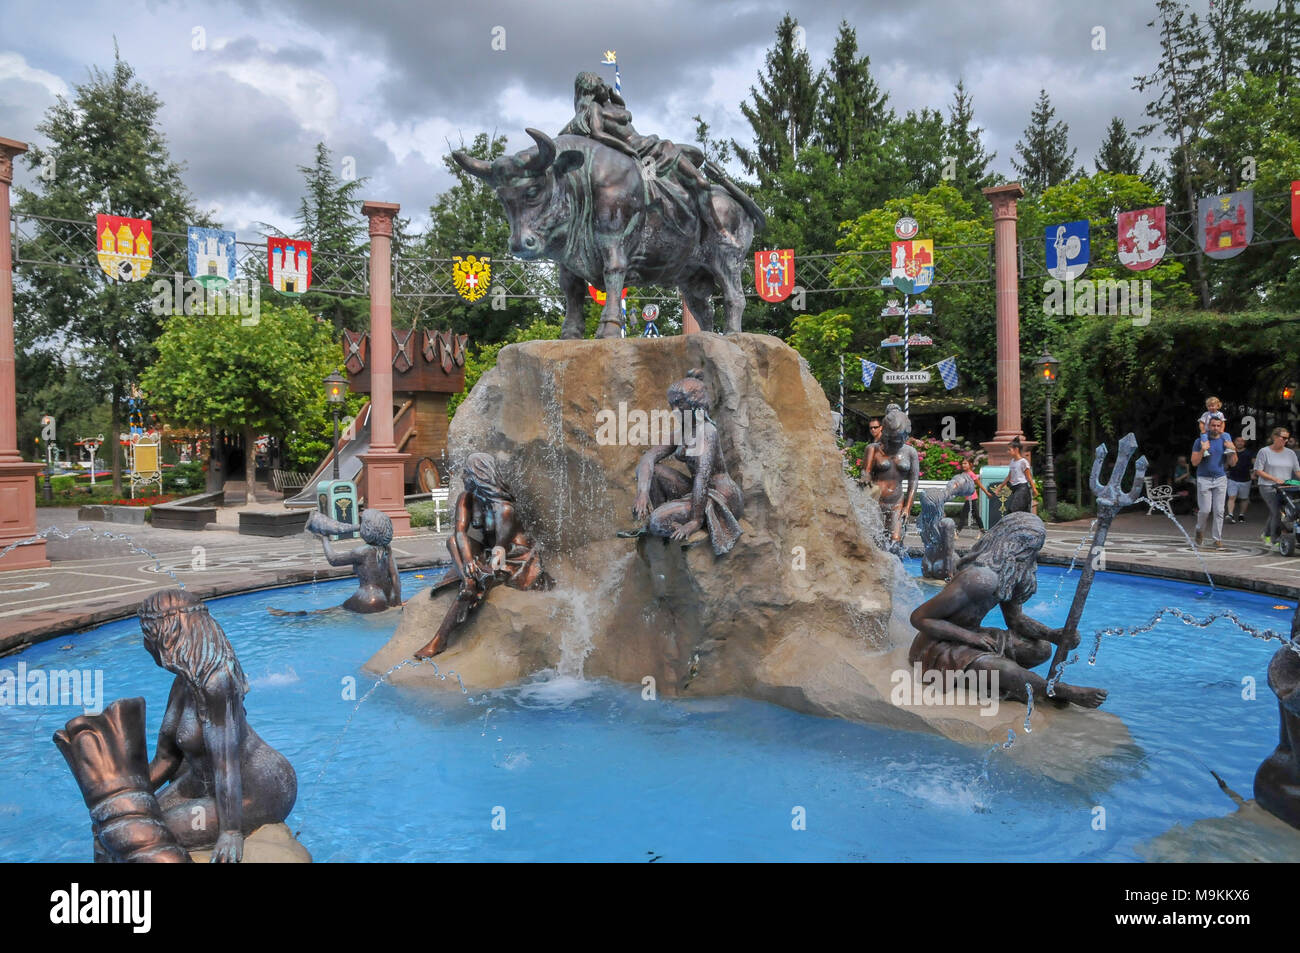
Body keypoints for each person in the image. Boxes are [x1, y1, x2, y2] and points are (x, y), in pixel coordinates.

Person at [139, 589, 297, 863]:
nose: (145, 642)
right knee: (132, 819)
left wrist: (230, 831)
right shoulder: (183, 681)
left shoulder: (217, 684)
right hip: (205, 783)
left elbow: (227, 764)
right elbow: (166, 759)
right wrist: (126, 795)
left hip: (256, 790)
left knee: (144, 833)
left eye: (148, 631)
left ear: (169, 632)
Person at [908, 513, 1107, 709]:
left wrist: (1053, 634)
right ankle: (1055, 690)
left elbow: (1016, 620)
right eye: (1029, 550)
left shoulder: (1010, 574)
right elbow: (919, 618)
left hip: (973, 638)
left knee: (1041, 648)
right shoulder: (979, 578)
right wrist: (970, 638)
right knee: (1000, 668)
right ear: (1011, 546)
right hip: (936, 647)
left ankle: (1008, 680)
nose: (1032, 559)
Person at [560, 72, 730, 241]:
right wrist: (624, 147)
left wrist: (611, 94)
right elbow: (597, 133)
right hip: (643, 154)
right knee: (695, 183)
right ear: (592, 91)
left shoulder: (611, 105)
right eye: (600, 85)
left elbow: (621, 106)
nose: (604, 86)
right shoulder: (595, 108)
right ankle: (718, 228)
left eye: (603, 82)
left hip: (652, 145)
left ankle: (700, 216)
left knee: (696, 155)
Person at [415, 452, 553, 658]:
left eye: (466, 474)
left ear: (477, 476)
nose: (462, 478)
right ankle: (468, 581)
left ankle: (440, 639)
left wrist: (483, 570)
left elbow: (500, 549)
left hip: (512, 555)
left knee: (481, 578)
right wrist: (469, 561)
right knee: (452, 542)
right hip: (489, 551)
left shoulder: (504, 509)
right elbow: (459, 532)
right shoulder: (467, 498)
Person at [1190, 411, 1237, 548]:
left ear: (1221, 426)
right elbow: (1194, 462)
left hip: (1220, 478)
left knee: (1219, 510)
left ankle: (1217, 538)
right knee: (1205, 510)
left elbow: (1233, 463)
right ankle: (1199, 530)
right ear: (1208, 426)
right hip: (1204, 478)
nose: (1216, 428)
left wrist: (1233, 450)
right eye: (1213, 425)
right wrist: (1202, 450)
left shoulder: (1225, 440)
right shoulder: (1199, 441)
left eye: (1218, 425)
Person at [1254, 427, 1300, 546]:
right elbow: (1258, 471)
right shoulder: (1264, 452)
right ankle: (1274, 539)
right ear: (1274, 437)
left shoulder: (1290, 453)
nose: (1286, 440)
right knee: (1276, 512)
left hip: (1285, 487)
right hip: (1268, 486)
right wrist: (1275, 479)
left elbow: (1297, 471)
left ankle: (1266, 534)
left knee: (1284, 512)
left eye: (1287, 439)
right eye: (1283, 438)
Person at [995, 437, 1038, 515]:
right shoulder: (1012, 461)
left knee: (1013, 509)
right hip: (1015, 489)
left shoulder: (1023, 462)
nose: (1008, 452)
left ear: (1016, 449)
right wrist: (1000, 487)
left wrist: (1034, 489)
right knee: (1020, 512)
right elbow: (1009, 476)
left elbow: (1029, 477)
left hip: (1022, 489)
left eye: (1009, 450)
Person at [956, 455, 996, 534]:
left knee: (963, 514)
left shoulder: (971, 474)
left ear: (970, 464)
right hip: (968, 497)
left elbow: (979, 484)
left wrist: (987, 493)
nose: (963, 465)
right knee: (976, 515)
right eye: (962, 464)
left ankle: (957, 531)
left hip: (972, 497)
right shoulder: (963, 474)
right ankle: (982, 530)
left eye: (965, 463)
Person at [1225, 436, 1254, 523]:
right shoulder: (1230, 452)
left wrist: (1254, 473)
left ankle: (1241, 515)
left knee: (1244, 498)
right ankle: (1230, 514)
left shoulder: (1249, 453)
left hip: (1246, 479)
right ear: (1234, 442)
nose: (1240, 443)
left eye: (1242, 441)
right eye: (1238, 441)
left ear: (1244, 443)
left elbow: (1254, 464)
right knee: (1231, 497)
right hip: (1232, 478)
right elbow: (1226, 465)